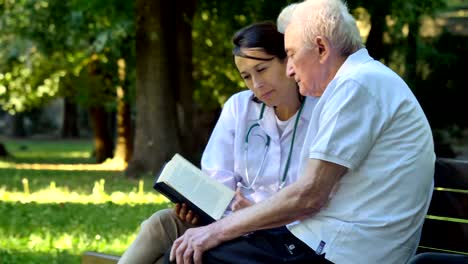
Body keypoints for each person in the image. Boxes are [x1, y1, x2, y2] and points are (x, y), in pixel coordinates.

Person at [167, 0, 435, 263]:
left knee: (193, 257)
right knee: (189, 253)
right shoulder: (356, 81)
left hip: (342, 250)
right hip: (325, 240)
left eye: (292, 54)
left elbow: (308, 196)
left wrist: (215, 231)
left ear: (321, 48)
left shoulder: (356, 84)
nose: (290, 69)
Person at [117, 21, 317, 264]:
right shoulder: (240, 107)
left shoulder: (320, 113)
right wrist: (199, 208)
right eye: (246, 76)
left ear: (288, 60)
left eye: (261, 69)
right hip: (227, 219)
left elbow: (312, 196)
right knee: (162, 223)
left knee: (171, 259)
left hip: (284, 236)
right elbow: (217, 178)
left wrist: (255, 212)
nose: (256, 84)